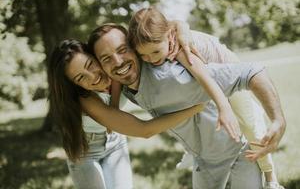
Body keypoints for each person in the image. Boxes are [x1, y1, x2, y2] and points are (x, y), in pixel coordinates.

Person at [87, 23, 286, 189]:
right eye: (107, 59)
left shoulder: (175, 75)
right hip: (206, 159)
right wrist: (112, 108)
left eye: (123, 50)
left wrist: (278, 119)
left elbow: (252, 71)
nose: (118, 61)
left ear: (135, 48)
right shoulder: (126, 79)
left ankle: (272, 180)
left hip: (240, 152)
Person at [47, 39, 205, 189]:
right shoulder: (86, 100)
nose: (93, 76)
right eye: (81, 77)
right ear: (74, 84)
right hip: (85, 152)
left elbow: (155, 30)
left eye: (90, 65)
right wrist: (196, 108)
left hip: (115, 142)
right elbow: (144, 130)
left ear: (96, 56)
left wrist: (182, 30)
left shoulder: (114, 64)